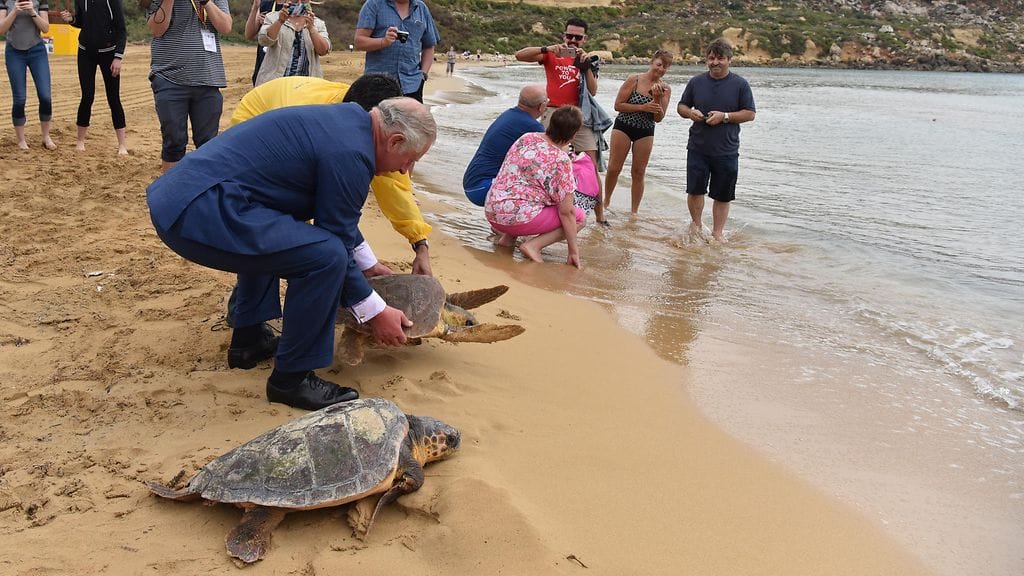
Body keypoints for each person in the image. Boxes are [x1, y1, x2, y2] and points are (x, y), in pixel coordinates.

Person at [147, 97, 437, 411]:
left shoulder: (348, 124)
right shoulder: (353, 153)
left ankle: (249, 341)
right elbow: (336, 239)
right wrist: (376, 312)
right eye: (410, 160)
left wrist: (368, 265)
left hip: (187, 197)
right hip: (197, 211)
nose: (405, 171)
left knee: (285, 234)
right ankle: (292, 379)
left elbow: (335, 214)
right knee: (326, 257)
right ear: (395, 141)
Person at [229, 73, 435, 276]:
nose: (403, 169)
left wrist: (420, 243)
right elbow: (333, 216)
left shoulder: (380, 127)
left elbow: (395, 187)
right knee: (277, 227)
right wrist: (362, 286)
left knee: (313, 234)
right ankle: (250, 305)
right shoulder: (317, 118)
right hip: (257, 116)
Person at [514, 17, 603, 221]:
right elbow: (519, 55)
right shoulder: (551, 55)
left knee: (591, 165)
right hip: (553, 112)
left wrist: (586, 65)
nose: (573, 41)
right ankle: (541, 207)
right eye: (569, 36)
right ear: (563, 35)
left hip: (580, 116)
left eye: (577, 37)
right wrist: (547, 49)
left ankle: (600, 216)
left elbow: (593, 90)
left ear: (584, 39)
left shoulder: (588, 60)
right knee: (546, 163)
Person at [485, 106, 585, 269]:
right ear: (573, 135)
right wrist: (573, 252)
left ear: (550, 124)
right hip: (517, 218)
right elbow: (567, 212)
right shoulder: (561, 160)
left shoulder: (527, 138)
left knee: (526, 192)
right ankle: (534, 245)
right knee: (579, 218)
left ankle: (507, 240)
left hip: (492, 209)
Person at [677, 38, 756, 242]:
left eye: (720, 58)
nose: (715, 62)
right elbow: (681, 106)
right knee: (695, 190)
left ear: (729, 60)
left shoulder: (740, 84)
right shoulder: (696, 82)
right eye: (711, 58)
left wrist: (725, 116)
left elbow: (750, 114)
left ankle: (717, 233)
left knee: (723, 194)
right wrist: (690, 113)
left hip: (727, 150)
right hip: (698, 147)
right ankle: (696, 226)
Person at [145, 0, 232, 173]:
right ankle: (172, 194)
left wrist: (206, 2)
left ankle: (203, 192)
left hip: (208, 78)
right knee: (174, 142)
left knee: (208, 143)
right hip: (170, 77)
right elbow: (156, 29)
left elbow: (226, 27)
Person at [603, 49, 673, 216]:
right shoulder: (634, 80)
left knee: (639, 172)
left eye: (665, 67)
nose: (661, 69)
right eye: (659, 64)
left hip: (646, 130)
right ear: (652, 62)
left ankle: (634, 212)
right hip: (624, 126)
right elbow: (618, 105)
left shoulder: (665, 89)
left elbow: (658, 118)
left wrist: (656, 98)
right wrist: (642, 107)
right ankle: (606, 201)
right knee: (614, 168)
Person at [60, 0, 128, 155]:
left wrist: (118, 57)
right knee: (87, 96)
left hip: (109, 53)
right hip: (85, 52)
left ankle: (122, 145)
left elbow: (122, 30)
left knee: (113, 98)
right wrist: (72, 20)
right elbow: (82, 22)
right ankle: (80, 141)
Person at [462, 84, 546, 207]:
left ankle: (503, 223)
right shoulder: (533, 127)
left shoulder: (509, 114)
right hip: (482, 186)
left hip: (472, 182)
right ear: (541, 106)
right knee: (541, 194)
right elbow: (548, 158)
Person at [354, 0, 439, 103]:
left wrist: (423, 75)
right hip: (377, 85)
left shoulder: (421, 8)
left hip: (412, 85)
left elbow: (429, 46)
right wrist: (383, 42)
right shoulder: (374, 4)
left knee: (411, 119)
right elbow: (359, 42)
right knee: (376, 119)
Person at [1, 0, 55, 150]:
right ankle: (21, 140)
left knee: (45, 96)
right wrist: (15, 11)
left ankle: (46, 136)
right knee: (19, 99)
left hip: (37, 51)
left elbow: (45, 28)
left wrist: (32, 11)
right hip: (14, 51)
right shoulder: (6, 1)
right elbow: (1, 29)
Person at [254, 2, 330, 86]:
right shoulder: (272, 17)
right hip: (275, 84)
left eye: (304, 0)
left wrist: (312, 29)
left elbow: (323, 51)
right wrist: (279, 21)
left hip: (307, 85)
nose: (299, 3)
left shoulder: (318, 23)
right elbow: (264, 41)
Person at [244, 0, 277, 86]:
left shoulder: (294, 6)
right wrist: (255, 8)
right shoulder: (265, 5)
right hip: (262, 68)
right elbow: (249, 34)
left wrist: (272, 24)